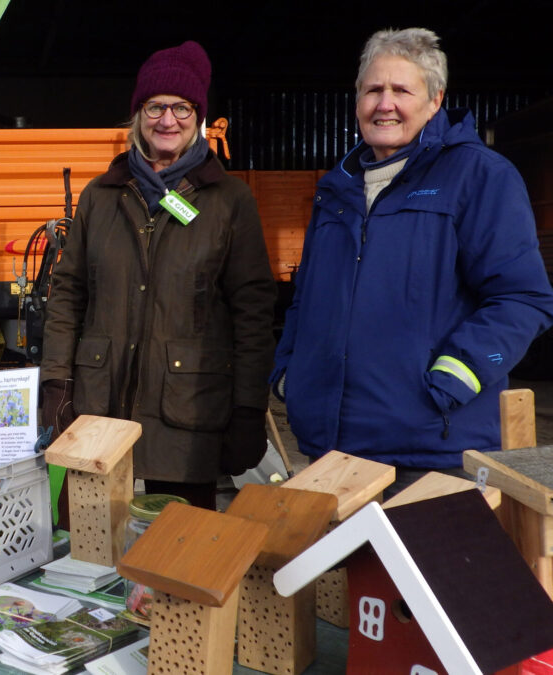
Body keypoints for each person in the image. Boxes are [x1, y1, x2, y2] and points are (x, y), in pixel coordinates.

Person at [271, 28, 553, 494]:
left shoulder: (479, 176)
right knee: (342, 569)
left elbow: (522, 298)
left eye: (401, 90)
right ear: (358, 99)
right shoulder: (336, 188)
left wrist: (450, 381)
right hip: (332, 450)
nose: (385, 104)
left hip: (429, 451)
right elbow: (307, 299)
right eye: (373, 90)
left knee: (427, 568)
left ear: (435, 99)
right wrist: (289, 373)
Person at [40, 41, 277, 510]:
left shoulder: (229, 200)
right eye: (155, 106)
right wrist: (56, 384)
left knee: (179, 558)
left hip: (187, 418)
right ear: (137, 114)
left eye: (181, 107)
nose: (167, 120)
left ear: (199, 115)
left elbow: (252, 312)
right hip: (97, 410)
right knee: (88, 554)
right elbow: (68, 295)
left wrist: (248, 407)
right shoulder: (101, 196)